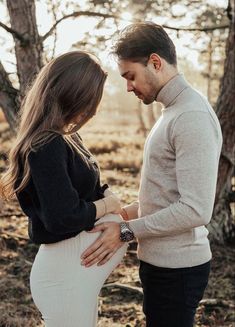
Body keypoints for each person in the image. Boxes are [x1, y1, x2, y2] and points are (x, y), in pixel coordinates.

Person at [81, 22, 223, 327]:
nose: (128, 87)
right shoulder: (172, 111)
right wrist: (123, 214)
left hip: (178, 271)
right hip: (161, 266)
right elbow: (166, 193)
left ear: (155, 62)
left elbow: (196, 209)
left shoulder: (190, 116)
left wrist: (126, 231)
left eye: (130, 76)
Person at [0, 51, 127, 327]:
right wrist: (108, 206)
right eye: (92, 99)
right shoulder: (45, 146)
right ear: (73, 93)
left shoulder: (68, 138)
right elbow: (63, 217)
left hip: (77, 275)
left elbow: (90, 186)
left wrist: (108, 198)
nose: (93, 109)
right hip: (65, 277)